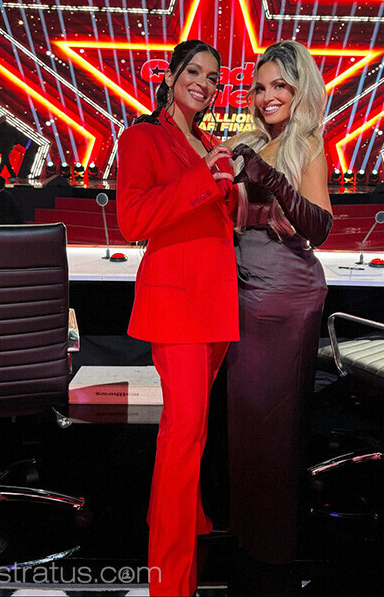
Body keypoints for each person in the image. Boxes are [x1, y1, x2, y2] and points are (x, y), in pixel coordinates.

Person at [115, 40, 239, 597]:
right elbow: (133, 220)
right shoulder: (141, 138)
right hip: (176, 306)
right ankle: (169, 581)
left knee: (193, 429)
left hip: (215, 302)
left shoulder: (210, 143)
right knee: (184, 435)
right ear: (168, 77)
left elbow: (217, 220)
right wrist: (204, 178)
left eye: (213, 77)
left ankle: (187, 519)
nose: (204, 84)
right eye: (194, 71)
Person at [225, 40, 333, 566]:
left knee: (276, 420)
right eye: (259, 87)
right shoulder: (247, 141)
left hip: (286, 296)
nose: (266, 96)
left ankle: (274, 546)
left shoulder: (306, 144)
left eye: (279, 86)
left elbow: (320, 227)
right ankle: (249, 532)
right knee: (247, 417)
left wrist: (272, 181)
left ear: (300, 89)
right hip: (244, 293)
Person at [0, 115, 18, 181]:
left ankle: (11, 174)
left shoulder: (0, 127)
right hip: (9, 146)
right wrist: (14, 143)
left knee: (5, 160)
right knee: (5, 160)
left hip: (3, 146)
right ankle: (0, 173)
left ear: (1, 120)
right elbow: (17, 135)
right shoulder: (10, 127)